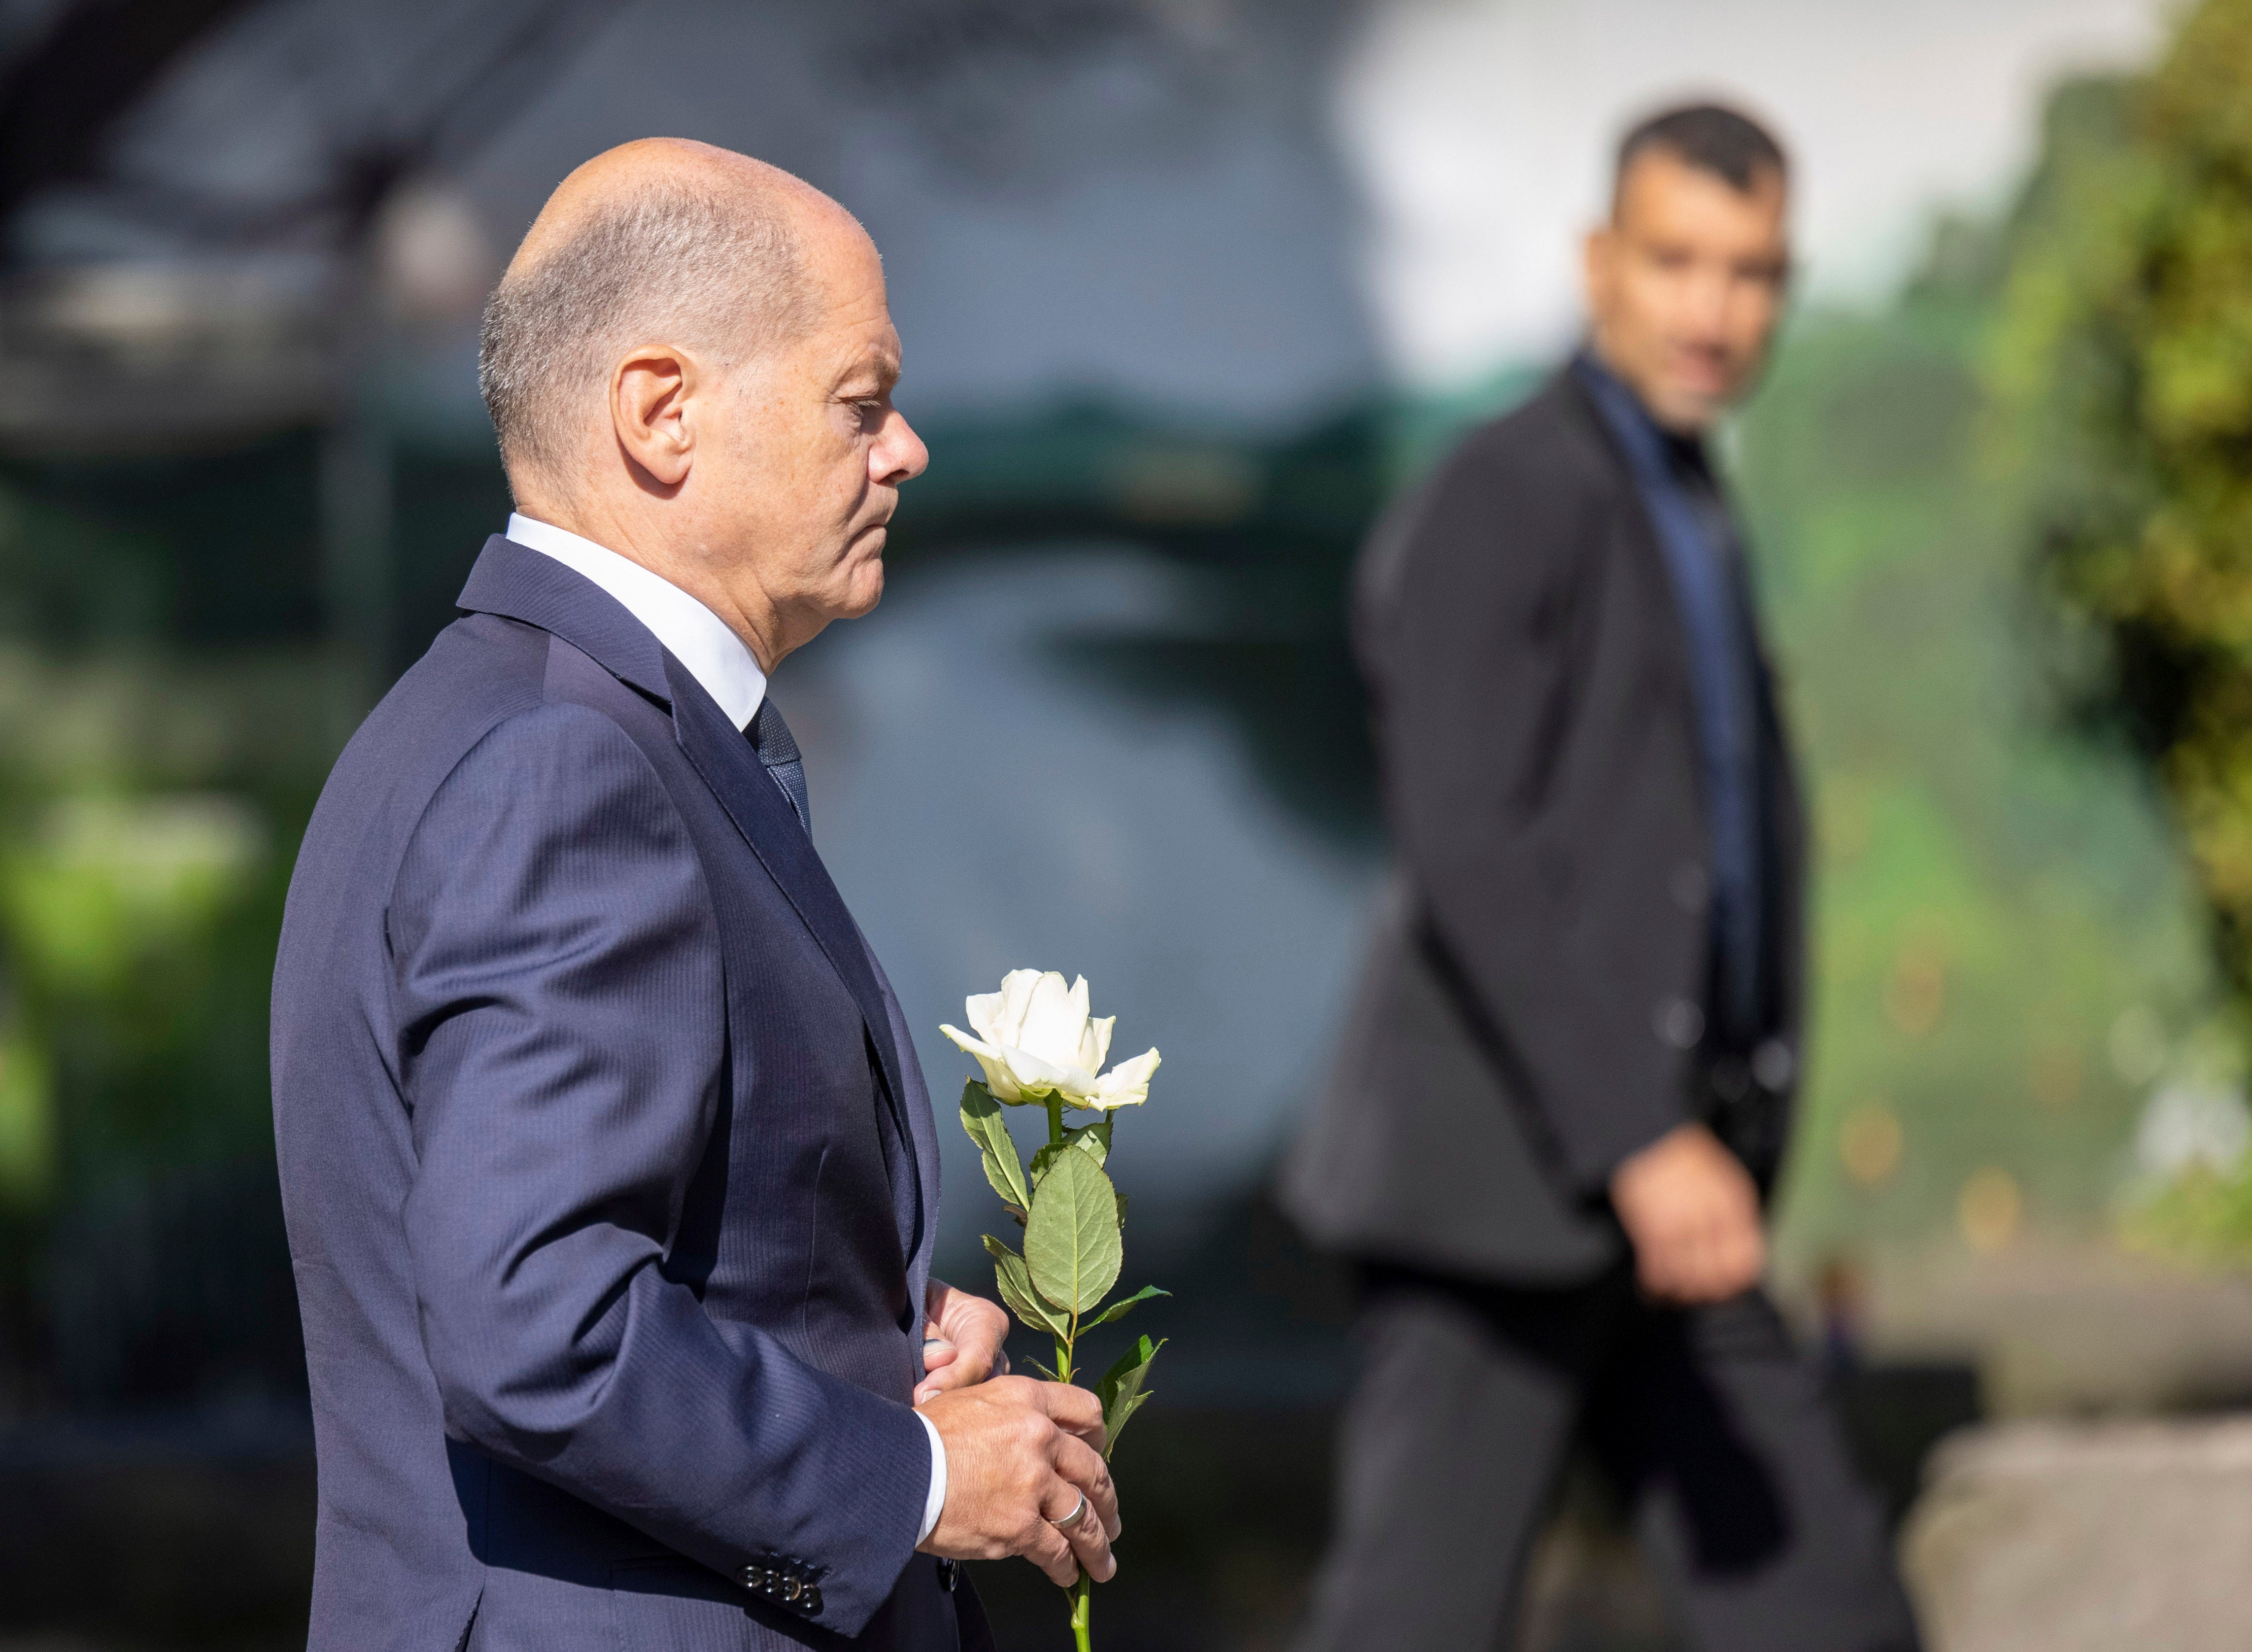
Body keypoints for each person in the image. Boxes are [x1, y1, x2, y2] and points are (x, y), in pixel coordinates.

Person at [271, 139, 1120, 1651]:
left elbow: (630, 1250)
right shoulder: (562, 765)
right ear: (662, 412)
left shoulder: (521, 719)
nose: (906, 448)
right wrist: (912, 1477)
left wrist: (865, 1345)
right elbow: (537, 1319)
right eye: (860, 402)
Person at [1280, 104, 1919, 1651]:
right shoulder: (1509, 493)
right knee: (1411, 1626)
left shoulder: (1682, 495)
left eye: (1753, 271)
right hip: (1503, 1189)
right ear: (1597, 264)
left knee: (1826, 1610)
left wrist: (1694, 1132)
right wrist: (1637, 1138)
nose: (1714, 310)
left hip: (1668, 1199)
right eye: (1676, 261)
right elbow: (1464, 841)